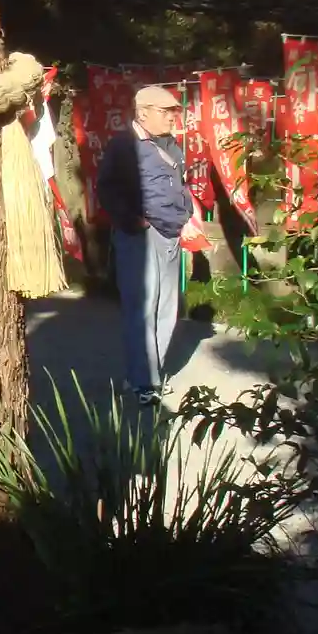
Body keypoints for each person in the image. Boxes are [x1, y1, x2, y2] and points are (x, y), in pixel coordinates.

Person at [96, 84, 211, 407]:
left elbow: (179, 185)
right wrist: (131, 220)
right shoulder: (123, 145)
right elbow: (106, 188)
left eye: (175, 111)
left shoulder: (170, 144)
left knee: (167, 308)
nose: (173, 117)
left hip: (171, 233)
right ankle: (143, 381)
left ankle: (147, 374)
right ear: (143, 113)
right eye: (165, 112)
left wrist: (186, 216)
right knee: (142, 309)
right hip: (140, 237)